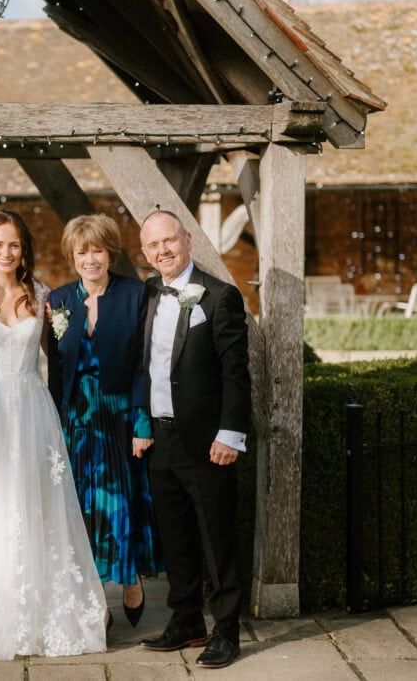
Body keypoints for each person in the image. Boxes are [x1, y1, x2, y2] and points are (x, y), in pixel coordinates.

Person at [0, 209, 107, 660]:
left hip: (33, 411)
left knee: (36, 506)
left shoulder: (43, 296)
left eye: (14, 245)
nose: (6, 252)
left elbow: (66, 358)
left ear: (23, 250)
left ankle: (41, 611)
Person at [137, 210, 251, 669]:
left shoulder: (220, 296)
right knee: (176, 537)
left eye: (169, 241)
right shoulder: (147, 293)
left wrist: (230, 433)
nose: (162, 250)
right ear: (144, 252)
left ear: (187, 239)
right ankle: (186, 620)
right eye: (153, 246)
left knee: (217, 538)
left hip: (207, 441)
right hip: (160, 438)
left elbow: (236, 372)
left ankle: (227, 631)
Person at [47, 213, 160, 630]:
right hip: (76, 421)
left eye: (97, 250)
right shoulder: (58, 300)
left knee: (118, 505)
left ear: (110, 252)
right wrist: (53, 423)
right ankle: (95, 597)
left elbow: (145, 364)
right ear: (71, 255)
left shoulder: (136, 295)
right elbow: (56, 370)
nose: (90, 259)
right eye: (82, 251)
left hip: (118, 417)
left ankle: (129, 579)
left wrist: (142, 422)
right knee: (80, 510)